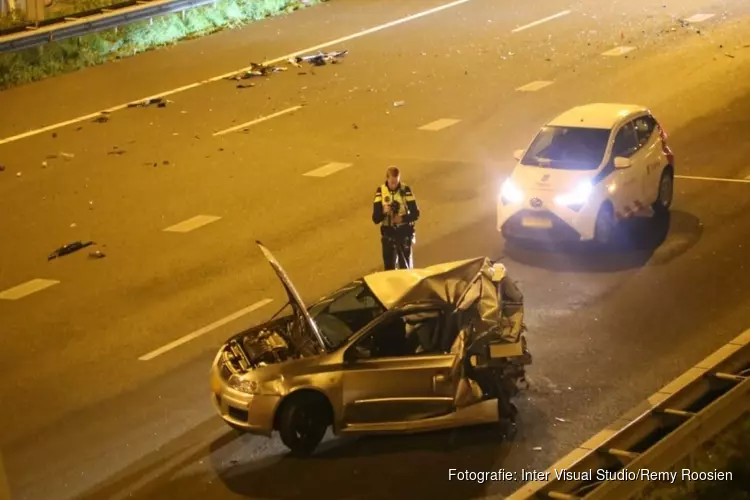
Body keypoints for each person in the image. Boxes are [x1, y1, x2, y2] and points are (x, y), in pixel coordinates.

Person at [372, 166, 420, 270]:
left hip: (404, 233)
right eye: (392, 182)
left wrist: (402, 219)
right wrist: (383, 212)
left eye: (396, 182)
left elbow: (416, 213)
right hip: (388, 234)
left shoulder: (405, 189)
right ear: (387, 179)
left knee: (406, 269)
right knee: (389, 270)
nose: (394, 185)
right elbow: (375, 218)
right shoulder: (381, 191)